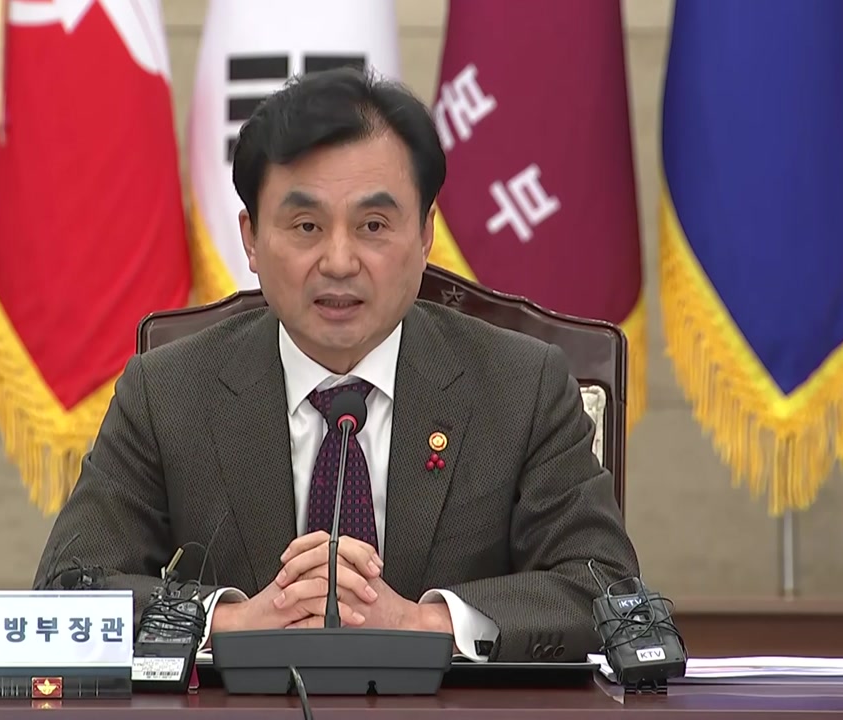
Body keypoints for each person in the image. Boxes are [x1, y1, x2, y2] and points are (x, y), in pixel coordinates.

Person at [32, 66, 640, 662]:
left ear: (425, 235)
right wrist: (230, 621)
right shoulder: (168, 392)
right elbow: (67, 590)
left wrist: (423, 623)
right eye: (306, 226)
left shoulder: (521, 385)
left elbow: (606, 588)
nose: (340, 261)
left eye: (374, 225)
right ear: (251, 238)